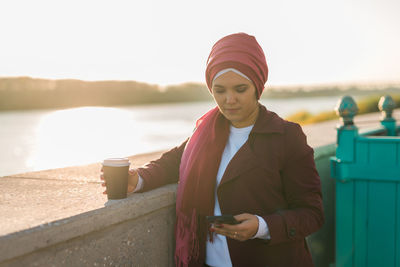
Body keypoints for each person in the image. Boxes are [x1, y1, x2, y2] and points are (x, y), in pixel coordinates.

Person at [101, 32, 324, 267]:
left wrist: (261, 226)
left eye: (240, 89)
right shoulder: (205, 133)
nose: (229, 100)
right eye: (220, 91)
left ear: (257, 87)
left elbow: (312, 213)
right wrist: (137, 180)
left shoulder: (287, 137)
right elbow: (172, 163)